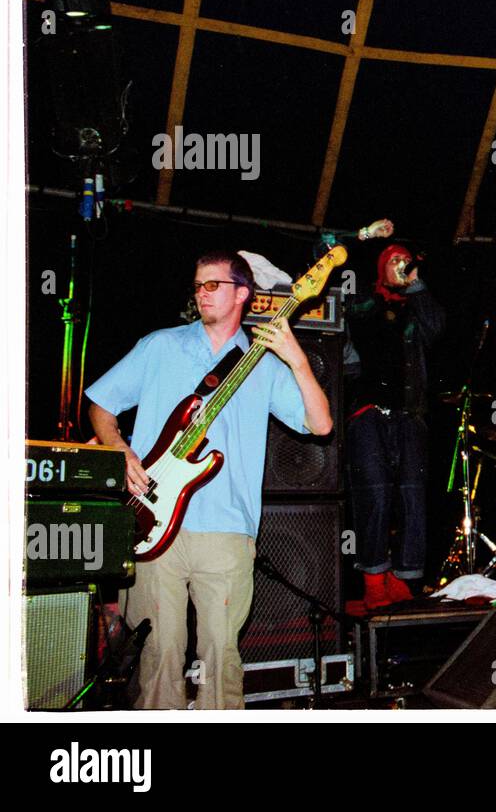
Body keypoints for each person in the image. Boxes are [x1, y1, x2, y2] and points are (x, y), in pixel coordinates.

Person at [86, 250, 332, 709]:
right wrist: (119, 450)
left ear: (243, 293)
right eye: (198, 286)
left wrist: (296, 358)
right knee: (159, 653)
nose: (202, 294)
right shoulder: (160, 345)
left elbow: (320, 425)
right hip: (152, 523)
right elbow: (101, 404)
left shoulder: (262, 363)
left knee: (221, 655)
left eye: (213, 285)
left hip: (227, 527)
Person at [343, 242, 446, 608]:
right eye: (395, 261)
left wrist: (416, 285)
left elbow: (437, 328)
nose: (402, 265)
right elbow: (342, 340)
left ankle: (404, 578)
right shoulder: (361, 303)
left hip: (410, 413)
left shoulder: (416, 311)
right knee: (374, 493)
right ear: (382, 267)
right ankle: (373, 577)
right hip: (367, 412)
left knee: (412, 495)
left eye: (406, 259)